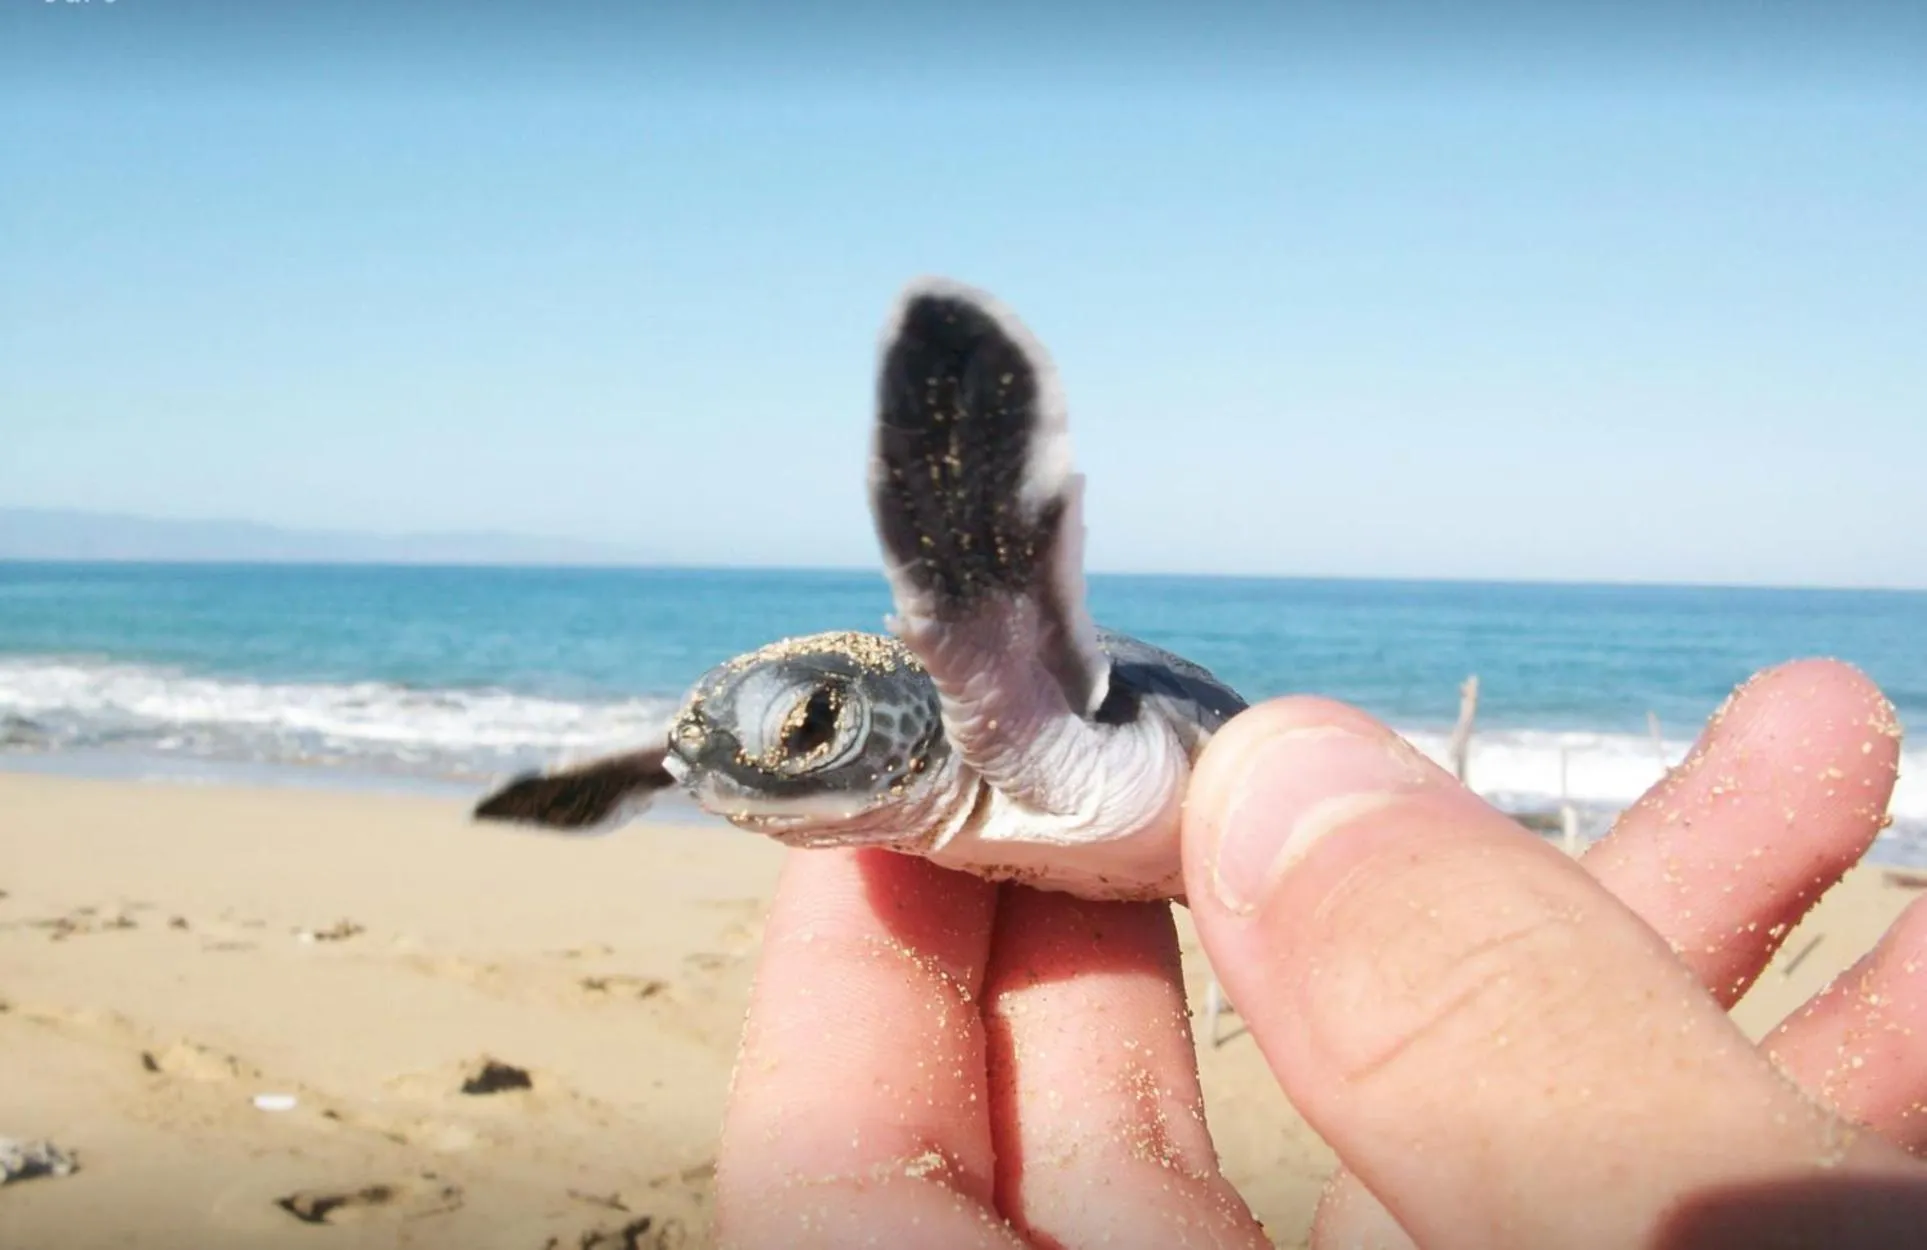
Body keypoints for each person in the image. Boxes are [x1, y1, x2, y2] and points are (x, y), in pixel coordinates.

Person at [711, 659, 1927, 1248]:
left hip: (1208, 799)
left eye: (819, 725)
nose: (776, 759)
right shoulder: (916, 816)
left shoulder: (1018, 721)